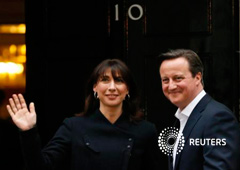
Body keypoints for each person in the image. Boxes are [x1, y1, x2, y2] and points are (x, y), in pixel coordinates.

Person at [6, 58, 161, 170]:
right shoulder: (74, 127)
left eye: (119, 80)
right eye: (105, 80)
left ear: (128, 89)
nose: (112, 87)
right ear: (95, 87)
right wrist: (28, 132)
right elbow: (41, 166)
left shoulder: (145, 130)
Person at [158, 49, 240, 170]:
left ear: (197, 77)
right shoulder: (181, 118)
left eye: (178, 78)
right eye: (165, 80)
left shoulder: (217, 118)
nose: (171, 86)